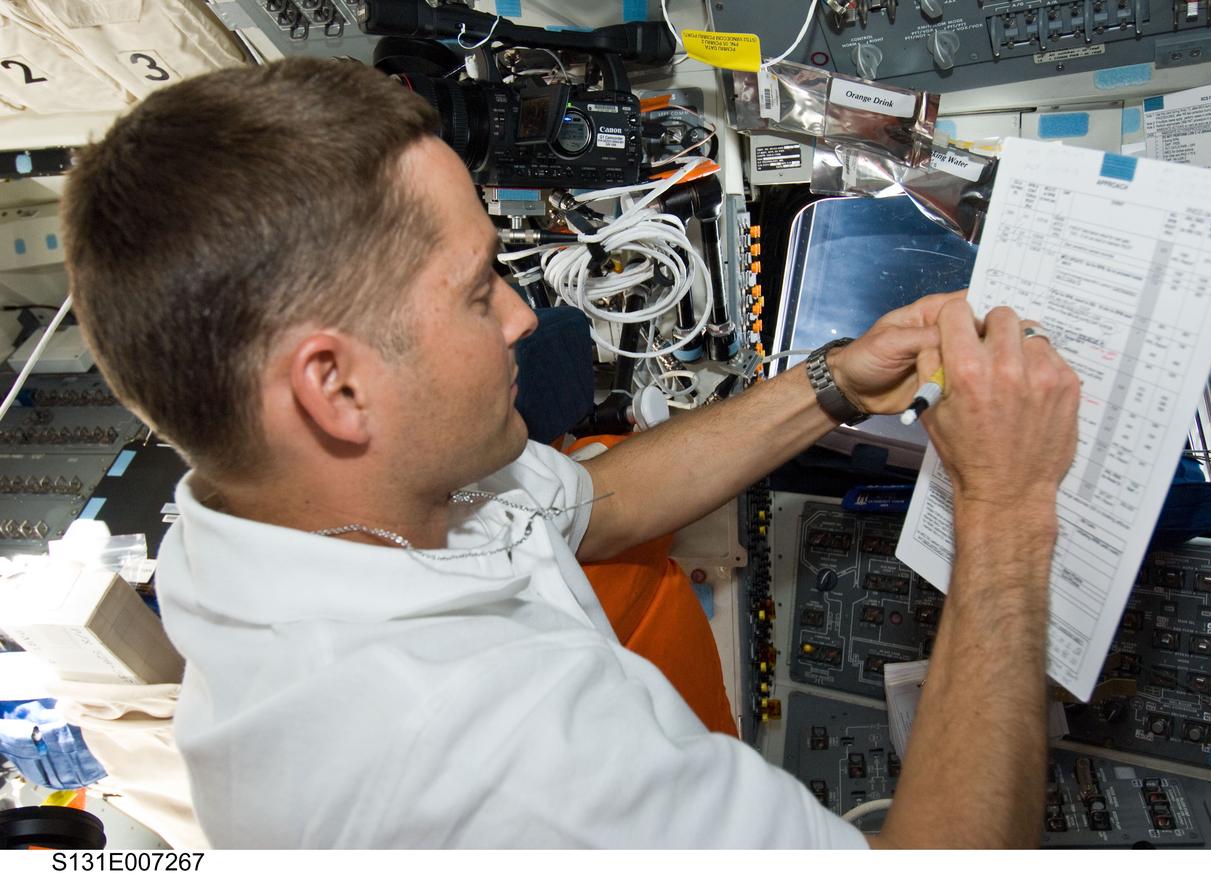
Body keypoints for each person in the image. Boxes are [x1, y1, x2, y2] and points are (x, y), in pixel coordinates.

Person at [61, 58, 1081, 848]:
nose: (521, 315)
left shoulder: (275, 503)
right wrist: (1005, 504)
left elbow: (595, 503)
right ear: (334, 387)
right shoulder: (486, 765)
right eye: (474, 290)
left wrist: (831, 383)